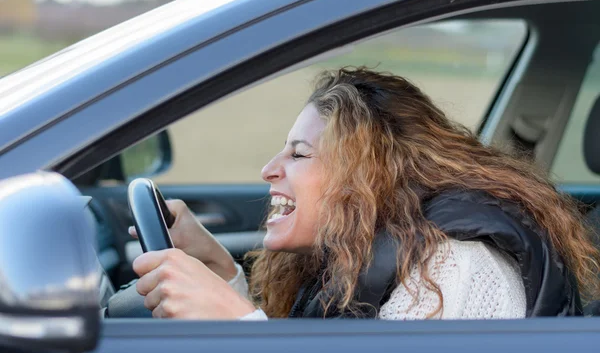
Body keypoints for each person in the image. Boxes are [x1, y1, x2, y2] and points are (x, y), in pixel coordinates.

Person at [130, 67, 600, 320]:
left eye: (299, 155)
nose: (268, 170)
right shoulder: (362, 255)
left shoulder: (454, 269)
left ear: (369, 175)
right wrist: (222, 272)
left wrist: (238, 328)